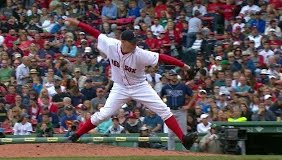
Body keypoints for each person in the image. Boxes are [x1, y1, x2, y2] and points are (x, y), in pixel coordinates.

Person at [65, 17, 197, 150]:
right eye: (131, 42)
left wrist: (184, 66)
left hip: (139, 86)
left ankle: (183, 139)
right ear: (122, 42)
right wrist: (78, 23)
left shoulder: (140, 53)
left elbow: (162, 58)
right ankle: (75, 136)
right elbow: (95, 33)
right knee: (104, 114)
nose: (134, 45)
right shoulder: (111, 45)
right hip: (120, 87)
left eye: (135, 42)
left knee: (164, 110)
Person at [161, 69, 193, 150]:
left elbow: (193, 95)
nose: (174, 77)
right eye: (172, 75)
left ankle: (185, 151)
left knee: (183, 133)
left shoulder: (183, 86)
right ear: (169, 76)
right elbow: (159, 97)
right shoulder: (165, 87)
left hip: (181, 110)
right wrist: (164, 106)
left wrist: (188, 105)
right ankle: (171, 151)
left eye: (175, 75)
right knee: (170, 134)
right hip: (170, 111)